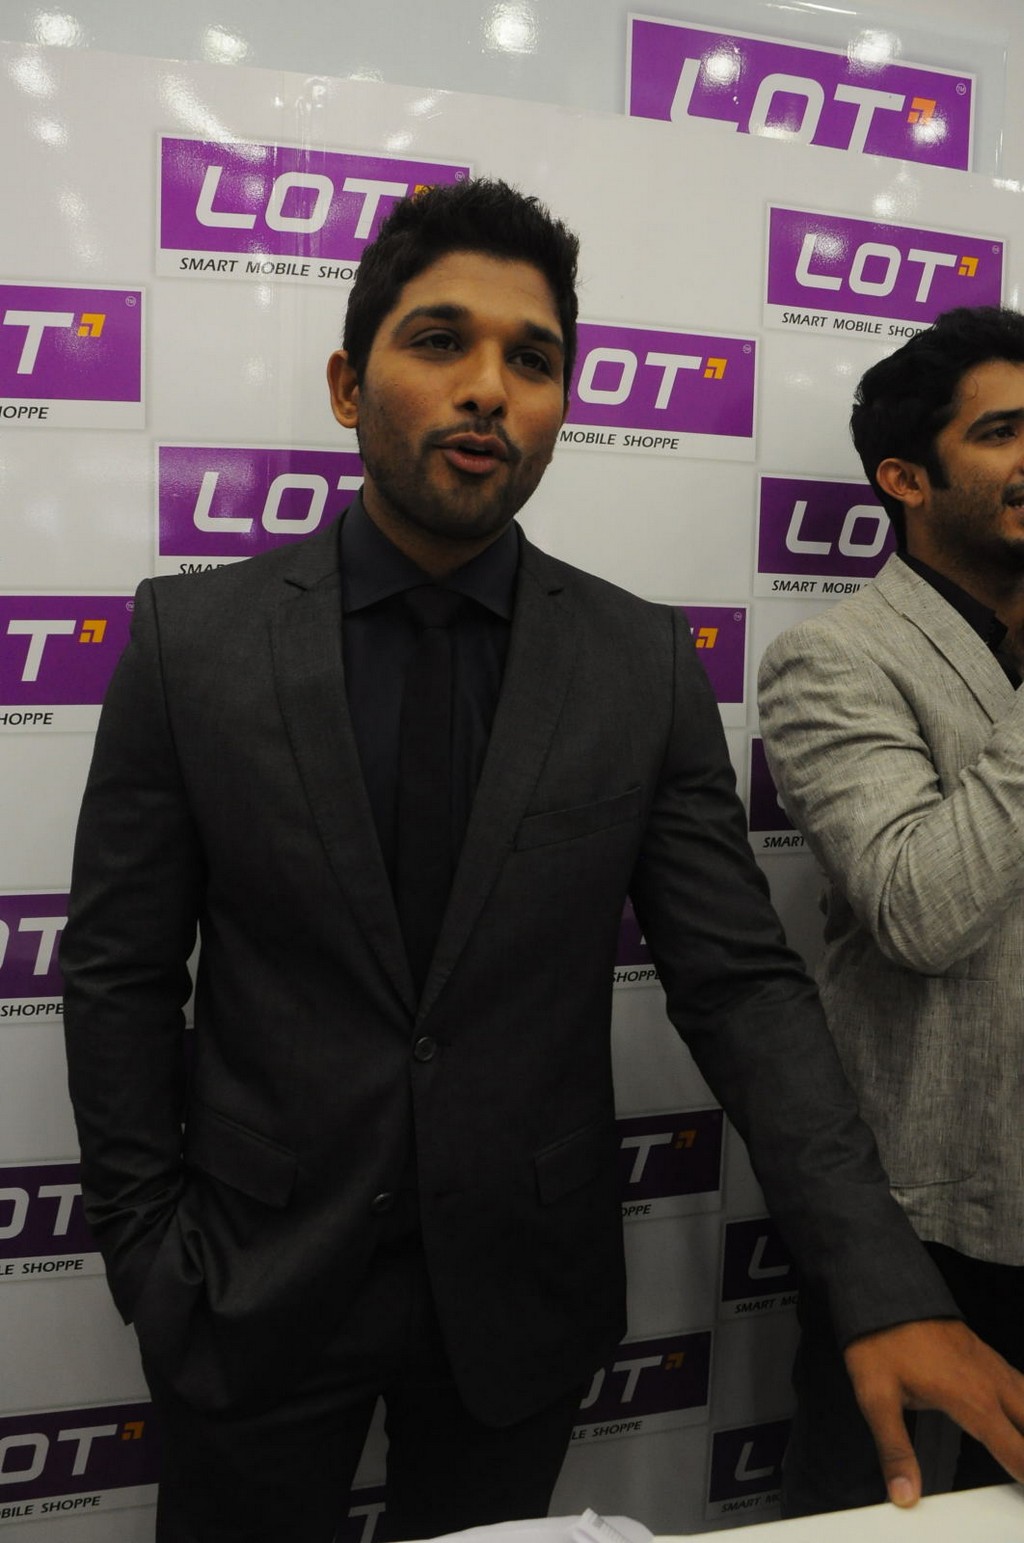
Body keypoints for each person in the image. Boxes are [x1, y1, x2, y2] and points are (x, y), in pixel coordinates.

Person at [61, 193, 1024, 1543]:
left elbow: (741, 987)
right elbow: (117, 974)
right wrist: (150, 1257)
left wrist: (882, 1279)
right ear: (347, 385)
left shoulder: (637, 662)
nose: (487, 389)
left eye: (532, 358)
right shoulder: (193, 641)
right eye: (438, 340)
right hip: (249, 1283)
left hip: (520, 1294)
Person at [758, 304, 1024, 1516]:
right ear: (904, 478)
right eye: (1001, 433)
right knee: (880, 1520)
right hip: (923, 1238)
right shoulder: (834, 659)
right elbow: (921, 908)